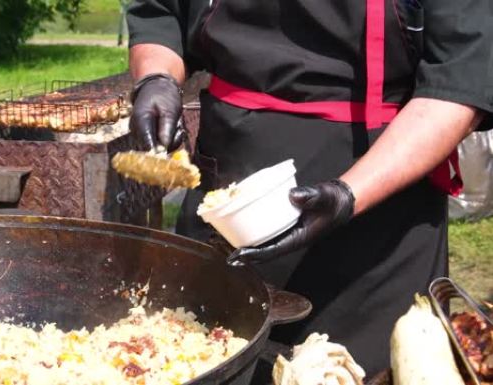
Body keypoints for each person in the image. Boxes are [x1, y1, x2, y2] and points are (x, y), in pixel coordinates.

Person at [126, 0, 493, 377]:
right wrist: (156, 78)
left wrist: (348, 194)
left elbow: (458, 84)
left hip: (383, 224)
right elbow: (160, 13)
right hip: (229, 208)